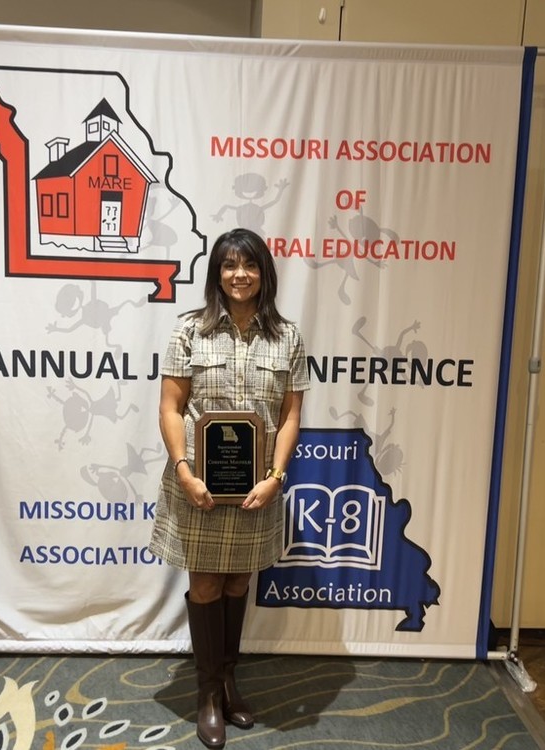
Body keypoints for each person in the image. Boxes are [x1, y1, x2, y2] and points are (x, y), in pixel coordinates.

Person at [148, 228, 309, 748]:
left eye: (250, 265)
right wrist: (184, 471)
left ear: (265, 272)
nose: (239, 275)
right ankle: (207, 694)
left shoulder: (288, 337)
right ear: (216, 274)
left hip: (255, 488)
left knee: (239, 585)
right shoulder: (189, 332)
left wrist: (276, 478)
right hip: (199, 485)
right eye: (228, 266)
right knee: (207, 586)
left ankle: (230, 678)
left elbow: (290, 416)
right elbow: (171, 408)